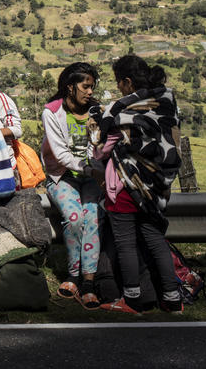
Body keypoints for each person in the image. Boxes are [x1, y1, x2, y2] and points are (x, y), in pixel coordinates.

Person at [95, 54, 184, 314]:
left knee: (125, 243)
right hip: (156, 187)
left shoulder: (122, 111)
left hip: (126, 184)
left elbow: (102, 146)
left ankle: (132, 299)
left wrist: (98, 122)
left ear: (127, 82)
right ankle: (172, 299)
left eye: (118, 82)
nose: (118, 87)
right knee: (155, 240)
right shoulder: (165, 104)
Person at [41, 62, 104, 309]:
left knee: (92, 217)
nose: (90, 91)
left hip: (90, 177)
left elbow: (97, 146)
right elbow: (60, 154)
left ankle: (88, 282)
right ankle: (73, 275)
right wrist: (88, 169)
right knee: (74, 217)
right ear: (70, 87)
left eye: (92, 87)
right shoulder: (52, 112)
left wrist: (94, 169)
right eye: (85, 86)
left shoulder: (96, 112)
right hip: (62, 175)